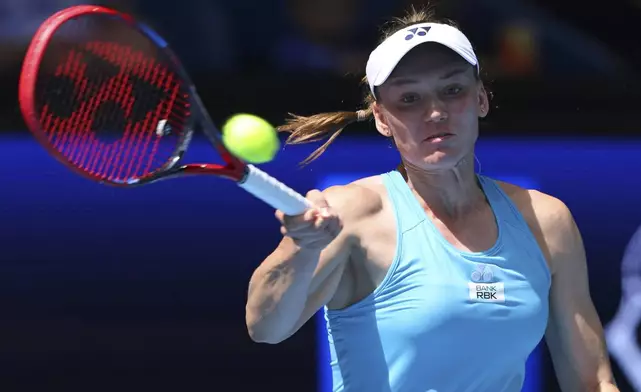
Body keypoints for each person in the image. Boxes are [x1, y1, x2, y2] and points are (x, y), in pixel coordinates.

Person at [245, 5, 619, 392]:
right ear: (381, 118)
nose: (435, 111)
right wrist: (301, 249)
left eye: (452, 90)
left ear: (481, 99)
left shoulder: (547, 220)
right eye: (409, 98)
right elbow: (265, 327)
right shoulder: (352, 212)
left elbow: (592, 381)